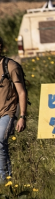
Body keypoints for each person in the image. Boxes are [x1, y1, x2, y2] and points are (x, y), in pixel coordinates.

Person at [0, 36, 28, 181]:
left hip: (8, 111)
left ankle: (5, 181)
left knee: (0, 140)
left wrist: (22, 116)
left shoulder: (10, 66)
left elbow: (22, 92)